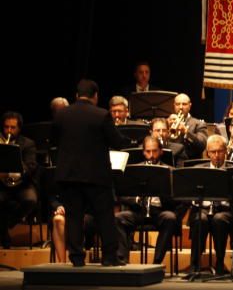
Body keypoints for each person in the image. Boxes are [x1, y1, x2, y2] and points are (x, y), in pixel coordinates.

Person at [50, 79, 129, 266]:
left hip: (69, 176)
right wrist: (129, 139)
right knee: (104, 216)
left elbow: (54, 141)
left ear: (76, 96)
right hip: (96, 176)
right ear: (95, 96)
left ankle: (77, 258)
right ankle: (109, 258)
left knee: (74, 217)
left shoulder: (61, 115)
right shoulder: (101, 115)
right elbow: (117, 142)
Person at [114, 136, 180, 267]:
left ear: (161, 151)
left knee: (170, 218)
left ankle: (156, 262)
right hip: (139, 211)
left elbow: (177, 199)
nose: (151, 155)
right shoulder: (133, 170)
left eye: (155, 151)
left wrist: (162, 193)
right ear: (143, 152)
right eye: (148, 151)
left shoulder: (170, 171)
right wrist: (136, 199)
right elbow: (122, 195)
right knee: (118, 218)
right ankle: (122, 260)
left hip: (159, 211)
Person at [190, 134, 233, 275]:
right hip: (203, 208)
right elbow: (190, 193)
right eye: (213, 152)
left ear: (225, 151)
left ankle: (220, 262)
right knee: (199, 220)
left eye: (220, 151)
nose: (216, 155)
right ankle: (195, 264)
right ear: (207, 153)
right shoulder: (198, 170)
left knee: (219, 220)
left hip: (224, 210)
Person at [0, 111, 38, 249]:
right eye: (6, 127)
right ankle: (4, 236)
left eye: (13, 127)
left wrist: (19, 173)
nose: (9, 130)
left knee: (31, 200)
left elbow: (31, 166)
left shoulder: (28, 143)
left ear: (19, 128)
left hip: (22, 184)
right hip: (1, 184)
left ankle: (9, 222)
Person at [167, 93, 208, 160]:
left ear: (190, 106)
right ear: (174, 106)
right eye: (178, 104)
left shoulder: (199, 124)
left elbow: (202, 144)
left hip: (189, 162)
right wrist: (166, 127)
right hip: (170, 160)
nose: (180, 107)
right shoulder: (168, 121)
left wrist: (186, 132)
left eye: (184, 104)